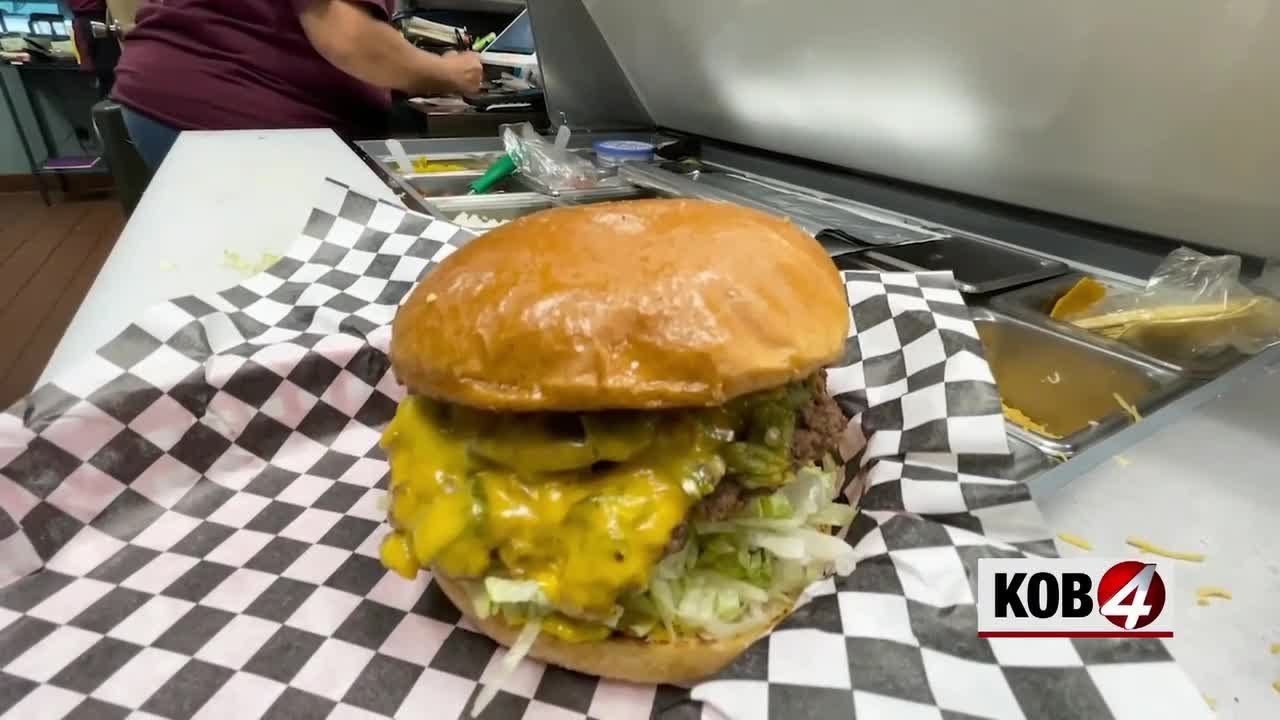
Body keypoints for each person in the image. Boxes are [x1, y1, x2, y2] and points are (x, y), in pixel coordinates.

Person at [110, 0, 483, 169]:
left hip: (193, 95)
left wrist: (405, 73)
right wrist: (451, 73)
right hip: (224, 109)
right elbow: (349, 38)